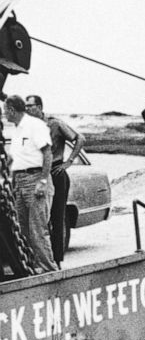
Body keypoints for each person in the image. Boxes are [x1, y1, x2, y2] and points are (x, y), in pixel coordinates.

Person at [25, 95, 85, 266]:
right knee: (37, 220)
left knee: (57, 218)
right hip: (37, 175)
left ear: (39, 107)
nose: (27, 109)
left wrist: (69, 161)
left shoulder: (55, 124)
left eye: (30, 106)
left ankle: (57, 260)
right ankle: (39, 261)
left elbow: (80, 138)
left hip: (56, 172)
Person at [2, 95, 57, 273]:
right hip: (19, 181)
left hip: (35, 179)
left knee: (37, 230)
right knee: (22, 229)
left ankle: (49, 270)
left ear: (12, 110)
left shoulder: (35, 126)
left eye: (5, 111)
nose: (4, 115)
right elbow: (15, 160)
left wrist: (42, 181)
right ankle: (34, 268)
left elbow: (47, 153)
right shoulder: (16, 130)